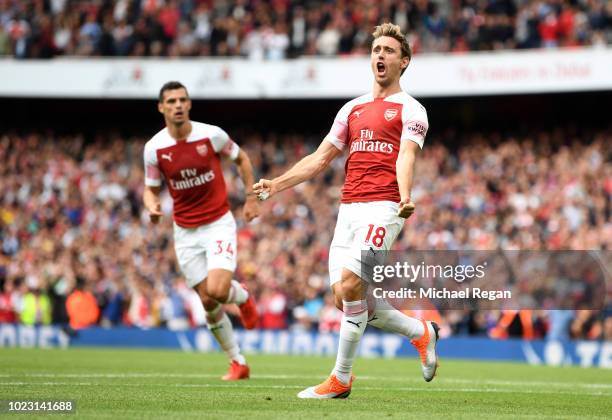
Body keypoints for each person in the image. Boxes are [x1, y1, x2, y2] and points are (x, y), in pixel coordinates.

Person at [254, 23, 439, 398]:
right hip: (349, 210)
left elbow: (406, 156)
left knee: (353, 286)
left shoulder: (412, 109)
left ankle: (340, 378)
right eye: (376, 50)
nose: (380, 56)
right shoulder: (352, 109)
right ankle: (421, 333)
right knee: (345, 297)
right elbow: (320, 158)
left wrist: (404, 196)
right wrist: (277, 184)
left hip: (385, 207)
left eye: (388, 50)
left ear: (404, 62)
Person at [143, 81, 259, 380]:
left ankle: (241, 297)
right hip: (184, 232)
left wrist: (250, 197)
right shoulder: (154, 149)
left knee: (219, 291)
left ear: (189, 104)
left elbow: (242, 158)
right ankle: (238, 362)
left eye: (182, 100)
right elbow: (150, 188)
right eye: (171, 101)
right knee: (207, 301)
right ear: (161, 107)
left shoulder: (211, 135)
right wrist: (153, 206)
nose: (178, 105)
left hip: (218, 223)